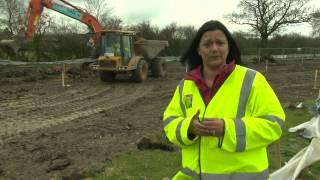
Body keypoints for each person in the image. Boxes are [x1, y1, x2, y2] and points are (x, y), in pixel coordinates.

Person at [162, 20, 285, 180]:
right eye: (207, 44)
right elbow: (170, 121)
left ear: (228, 47)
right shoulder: (186, 85)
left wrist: (228, 129)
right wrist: (188, 128)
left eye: (220, 43)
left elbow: (274, 124)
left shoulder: (253, 80)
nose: (214, 48)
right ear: (199, 50)